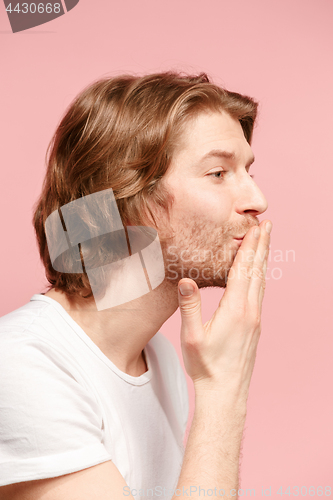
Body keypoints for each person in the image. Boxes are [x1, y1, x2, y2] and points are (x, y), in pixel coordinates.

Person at [0, 72, 272, 499]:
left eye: (247, 170)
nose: (257, 199)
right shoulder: (21, 364)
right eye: (218, 173)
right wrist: (222, 388)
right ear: (125, 198)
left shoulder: (158, 358)